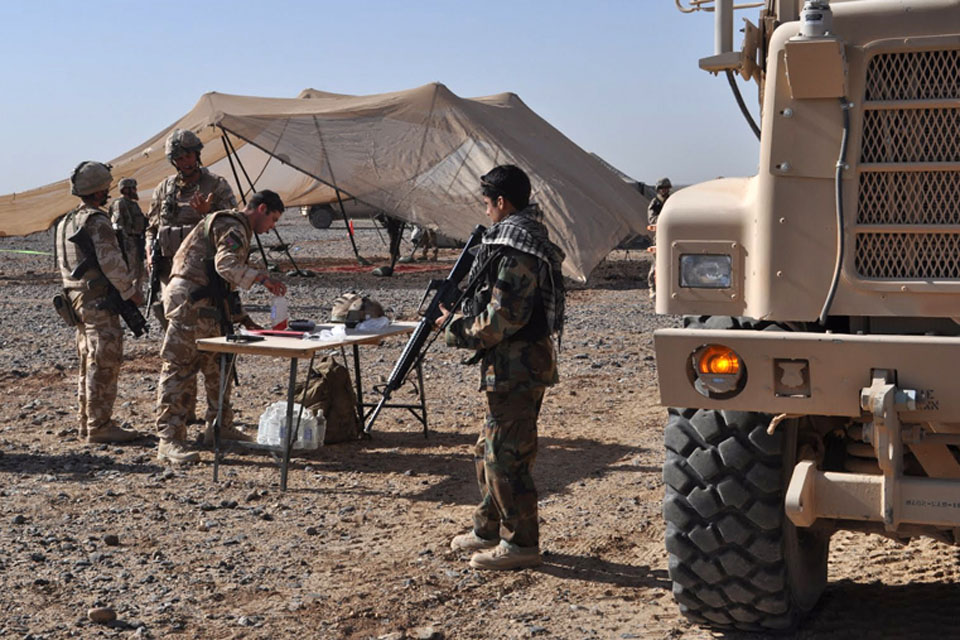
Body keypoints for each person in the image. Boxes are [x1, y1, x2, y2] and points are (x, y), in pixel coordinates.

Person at [436, 165, 565, 571]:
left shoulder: (517, 249)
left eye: (487, 203)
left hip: (519, 367)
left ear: (502, 203)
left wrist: (455, 329)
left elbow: (502, 319)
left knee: (506, 457)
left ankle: (521, 542)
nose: (485, 211)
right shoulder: (515, 240)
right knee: (487, 451)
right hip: (511, 367)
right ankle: (488, 528)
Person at [154, 190, 287, 464]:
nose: (271, 227)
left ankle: (220, 428)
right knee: (180, 370)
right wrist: (262, 278)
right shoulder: (233, 227)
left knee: (220, 365)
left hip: (208, 304)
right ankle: (169, 440)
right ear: (261, 209)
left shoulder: (233, 226)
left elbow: (222, 283)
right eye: (272, 219)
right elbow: (225, 266)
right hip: (191, 306)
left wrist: (243, 318)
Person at [147, 128, 238, 424]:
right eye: (179, 157)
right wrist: (149, 252)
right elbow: (152, 227)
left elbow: (231, 227)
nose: (185, 161)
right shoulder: (164, 189)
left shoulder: (216, 185)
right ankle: (182, 415)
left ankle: (219, 419)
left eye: (188, 155)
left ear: (197, 154)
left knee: (215, 351)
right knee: (180, 352)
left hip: (207, 280)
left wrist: (207, 213)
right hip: (171, 280)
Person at [56, 161, 144, 443]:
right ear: (98, 190)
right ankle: (100, 426)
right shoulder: (96, 221)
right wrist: (131, 292)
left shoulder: (65, 222)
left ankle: (86, 422)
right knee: (104, 361)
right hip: (98, 302)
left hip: (76, 301)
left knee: (88, 360)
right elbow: (112, 263)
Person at [110, 177, 147, 298]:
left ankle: (138, 294)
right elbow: (118, 225)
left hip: (137, 240)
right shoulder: (120, 203)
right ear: (126, 189)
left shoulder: (133, 204)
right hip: (128, 242)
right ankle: (130, 296)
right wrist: (125, 243)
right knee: (130, 270)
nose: (135, 191)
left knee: (139, 270)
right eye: (133, 188)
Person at [647, 177, 672, 299]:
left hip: (673, 236)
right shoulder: (655, 203)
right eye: (662, 188)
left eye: (666, 188)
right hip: (660, 236)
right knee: (657, 263)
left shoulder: (673, 201)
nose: (665, 190)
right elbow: (652, 219)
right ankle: (652, 287)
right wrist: (664, 219)